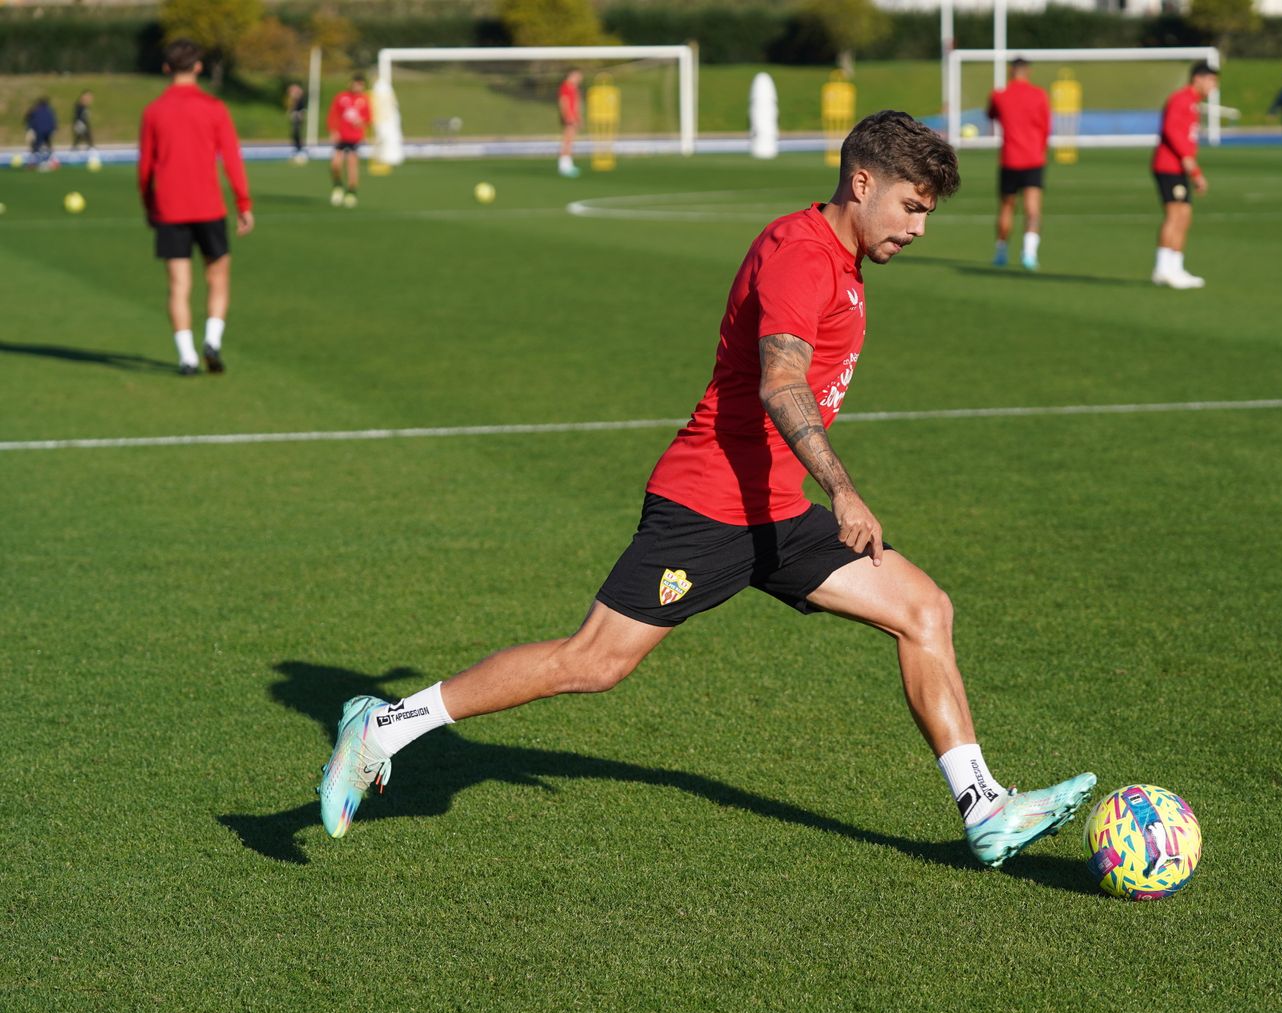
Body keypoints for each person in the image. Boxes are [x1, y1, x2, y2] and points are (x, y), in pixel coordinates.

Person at [317, 110, 1097, 869]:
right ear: (862, 182)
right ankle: (384, 726)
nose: (920, 227)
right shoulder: (800, 253)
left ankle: (984, 809)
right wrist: (845, 489)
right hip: (707, 505)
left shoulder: (842, 261)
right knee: (593, 663)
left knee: (924, 610)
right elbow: (781, 381)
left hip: (775, 510)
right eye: (911, 207)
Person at [137, 38, 254, 376]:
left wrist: (148, 204)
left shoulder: (153, 111)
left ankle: (187, 356)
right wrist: (243, 203)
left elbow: (145, 167)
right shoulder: (214, 108)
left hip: (170, 209)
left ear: (166, 68)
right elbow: (232, 158)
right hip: (209, 208)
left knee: (178, 285)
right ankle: (212, 341)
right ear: (199, 67)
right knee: (217, 277)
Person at [1151, 61, 1218, 290]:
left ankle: (1175, 266)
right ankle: (1162, 268)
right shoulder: (1180, 99)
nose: (1213, 86)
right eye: (1211, 80)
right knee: (1174, 214)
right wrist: (1193, 168)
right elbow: (1172, 133)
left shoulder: (1194, 104)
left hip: (1180, 167)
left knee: (1185, 215)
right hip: (1169, 166)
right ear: (1198, 78)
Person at [986, 57, 1052, 271]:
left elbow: (991, 114)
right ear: (1028, 71)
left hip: (1010, 159)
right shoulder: (1040, 95)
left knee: (1006, 206)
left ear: (1010, 71)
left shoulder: (999, 95)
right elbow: (1046, 127)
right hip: (1034, 158)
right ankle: (1029, 254)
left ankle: (1001, 252)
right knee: (1033, 208)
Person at [328, 73, 372, 207]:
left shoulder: (364, 100)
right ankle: (338, 186)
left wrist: (361, 122)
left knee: (352, 165)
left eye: (360, 85)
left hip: (354, 137)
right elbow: (333, 114)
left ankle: (351, 192)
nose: (358, 87)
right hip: (341, 136)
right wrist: (333, 130)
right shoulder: (341, 97)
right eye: (356, 84)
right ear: (351, 84)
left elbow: (368, 117)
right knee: (335, 164)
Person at [558, 67, 582, 178]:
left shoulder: (574, 87)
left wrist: (578, 117)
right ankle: (564, 166)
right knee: (567, 141)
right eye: (577, 75)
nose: (579, 78)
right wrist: (568, 116)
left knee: (570, 141)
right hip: (569, 117)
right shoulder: (565, 87)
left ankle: (568, 164)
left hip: (574, 117)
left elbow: (576, 104)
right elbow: (564, 102)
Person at [24, 97, 57, 168]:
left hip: (39, 130)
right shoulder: (49, 110)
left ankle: (32, 163)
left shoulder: (35, 110)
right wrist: (54, 129)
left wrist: (29, 128)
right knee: (49, 145)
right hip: (48, 130)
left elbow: (30, 119)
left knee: (36, 146)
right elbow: (53, 121)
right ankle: (54, 161)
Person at [285, 82, 308, 163]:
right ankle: (296, 149)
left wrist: (299, 115)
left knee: (297, 133)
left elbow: (301, 110)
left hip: (298, 118)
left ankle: (300, 149)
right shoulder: (292, 100)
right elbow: (290, 108)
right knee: (294, 134)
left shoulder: (300, 99)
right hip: (294, 118)